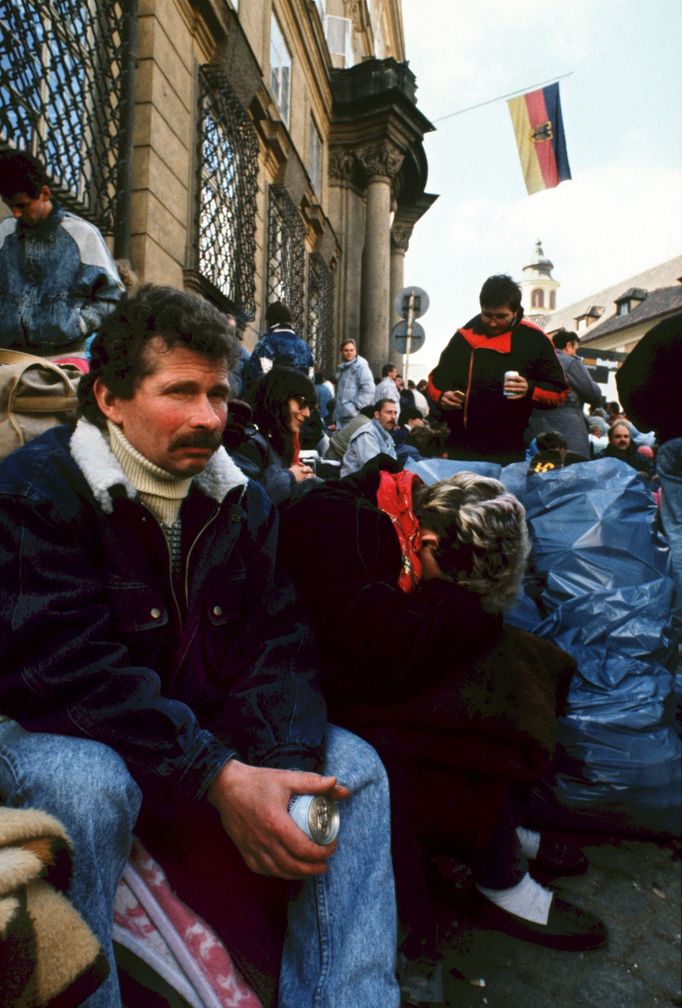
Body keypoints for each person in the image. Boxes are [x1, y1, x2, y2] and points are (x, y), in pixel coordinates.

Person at [0, 285, 400, 1008]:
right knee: (86, 787)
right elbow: (65, 674)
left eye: (218, 394)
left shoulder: (239, 500)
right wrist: (217, 777)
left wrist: (277, 772)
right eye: (179, 391)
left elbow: (278, 643)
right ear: (110, 400)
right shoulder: (38, 493)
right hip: (49, 727)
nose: (208, 417)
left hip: (186, 730)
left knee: (351, 771)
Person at [278, 463, 606, 959]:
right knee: (492, 681)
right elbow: (374, 661)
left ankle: (492, 825)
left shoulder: (398, 517)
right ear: (428, 543)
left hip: (351, 672)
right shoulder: (348, 531)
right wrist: (467, 614)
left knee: (517, 657)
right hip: (310, 694)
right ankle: (488, 860)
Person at [426, 274, 568, 464]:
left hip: (509, 449)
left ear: (516, 311)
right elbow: (435, 381)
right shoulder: (463, 337)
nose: (493, 323)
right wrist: (443, 396)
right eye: (487, 315)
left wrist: (530, 389)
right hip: (461, 446)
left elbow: (559, 392)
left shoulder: (535, 339)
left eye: (501, 317)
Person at [0, 149, 123, 355]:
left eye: (23, 205)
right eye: (10, 205)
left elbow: (113, 296)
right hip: (7, 357)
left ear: (45, 194)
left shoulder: (82, 235)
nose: (16, 213)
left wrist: (79, 324)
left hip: (63, 359)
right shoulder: (4, 233)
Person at [616, 311, 682, 644]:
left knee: (679, 531)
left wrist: (649, 421)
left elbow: (628, 377)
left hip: (676, 441)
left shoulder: (669, 330)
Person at [232, 365, 321, 506]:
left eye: (310, 407)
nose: (307, 413)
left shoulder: (274, 438)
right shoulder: (248, 441)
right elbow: (245, 502)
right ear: (280, 398)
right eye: (302, 403)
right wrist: (291, 476)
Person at [527, 329, 602, 457]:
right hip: (568, 430)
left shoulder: (535, 361)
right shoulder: (570, 362)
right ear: (569, 345)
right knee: (571, 469)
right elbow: (593, 393)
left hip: (536, 427)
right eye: (575, 349)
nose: (575, 353)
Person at [241, 301, 314, 399]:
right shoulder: (306, 347)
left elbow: (258, 376)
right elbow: (310, 380)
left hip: (273, 405)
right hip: (298, 404)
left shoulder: (267, 342)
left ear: (269, 321)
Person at [341, 398, 398, 476]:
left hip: (375, 481)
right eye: (389, 412)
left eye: (395, 413)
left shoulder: (387, 436)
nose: (393, 417)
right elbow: (372, 470)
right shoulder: (367, 434)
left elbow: (394, 464)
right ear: (377, 414)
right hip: (355, 485)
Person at [332, 338, 375, 429]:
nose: (349, 353)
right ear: (341, 352)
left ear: (355, 351)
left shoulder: (361, 367)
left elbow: (369, 390)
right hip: (342, 417)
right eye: (346, 350)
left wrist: (355, 407)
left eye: (352, 350)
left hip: (354, 417)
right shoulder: (342, 368)